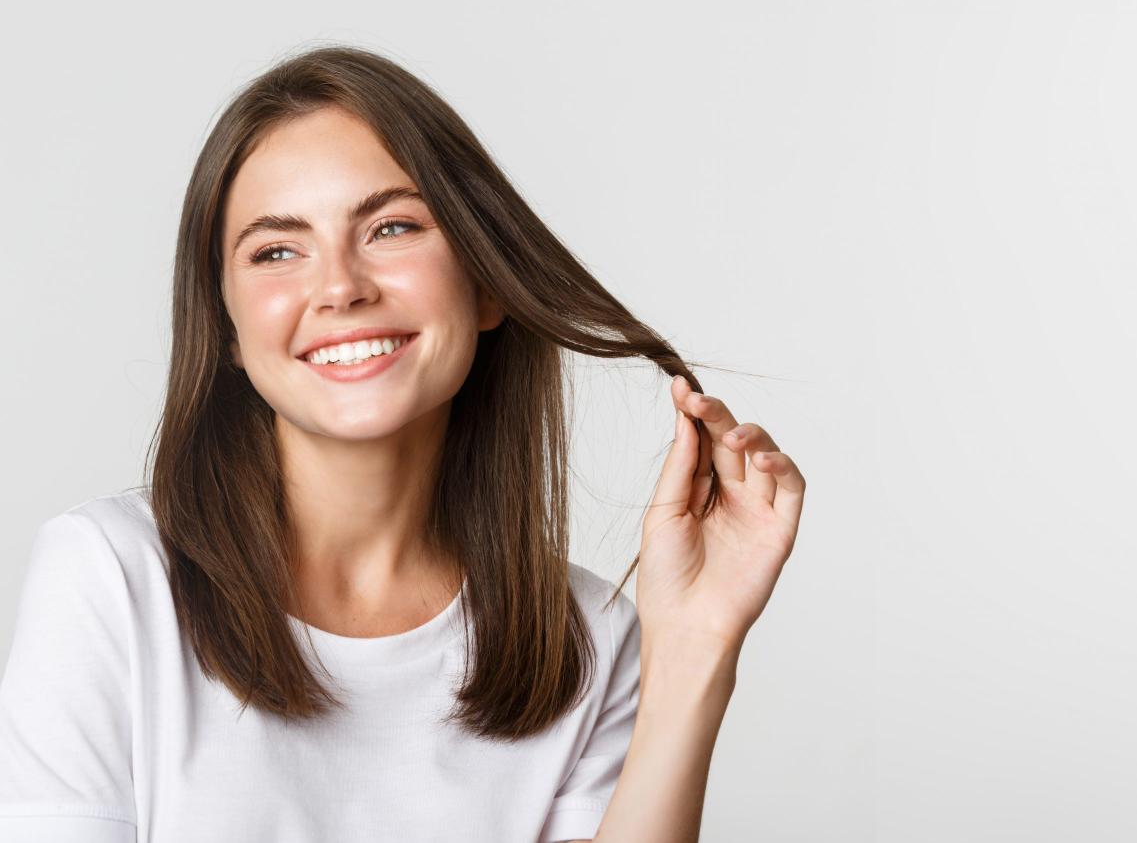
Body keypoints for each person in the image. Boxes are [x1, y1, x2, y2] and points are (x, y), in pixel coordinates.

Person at [0, 44, 806, 843]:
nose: (342, 287)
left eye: (391, 226)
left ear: (486, 280)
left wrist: (695, 648)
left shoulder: (590, 639)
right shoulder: (109, 578)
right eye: (277, 250)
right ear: (229, 331)